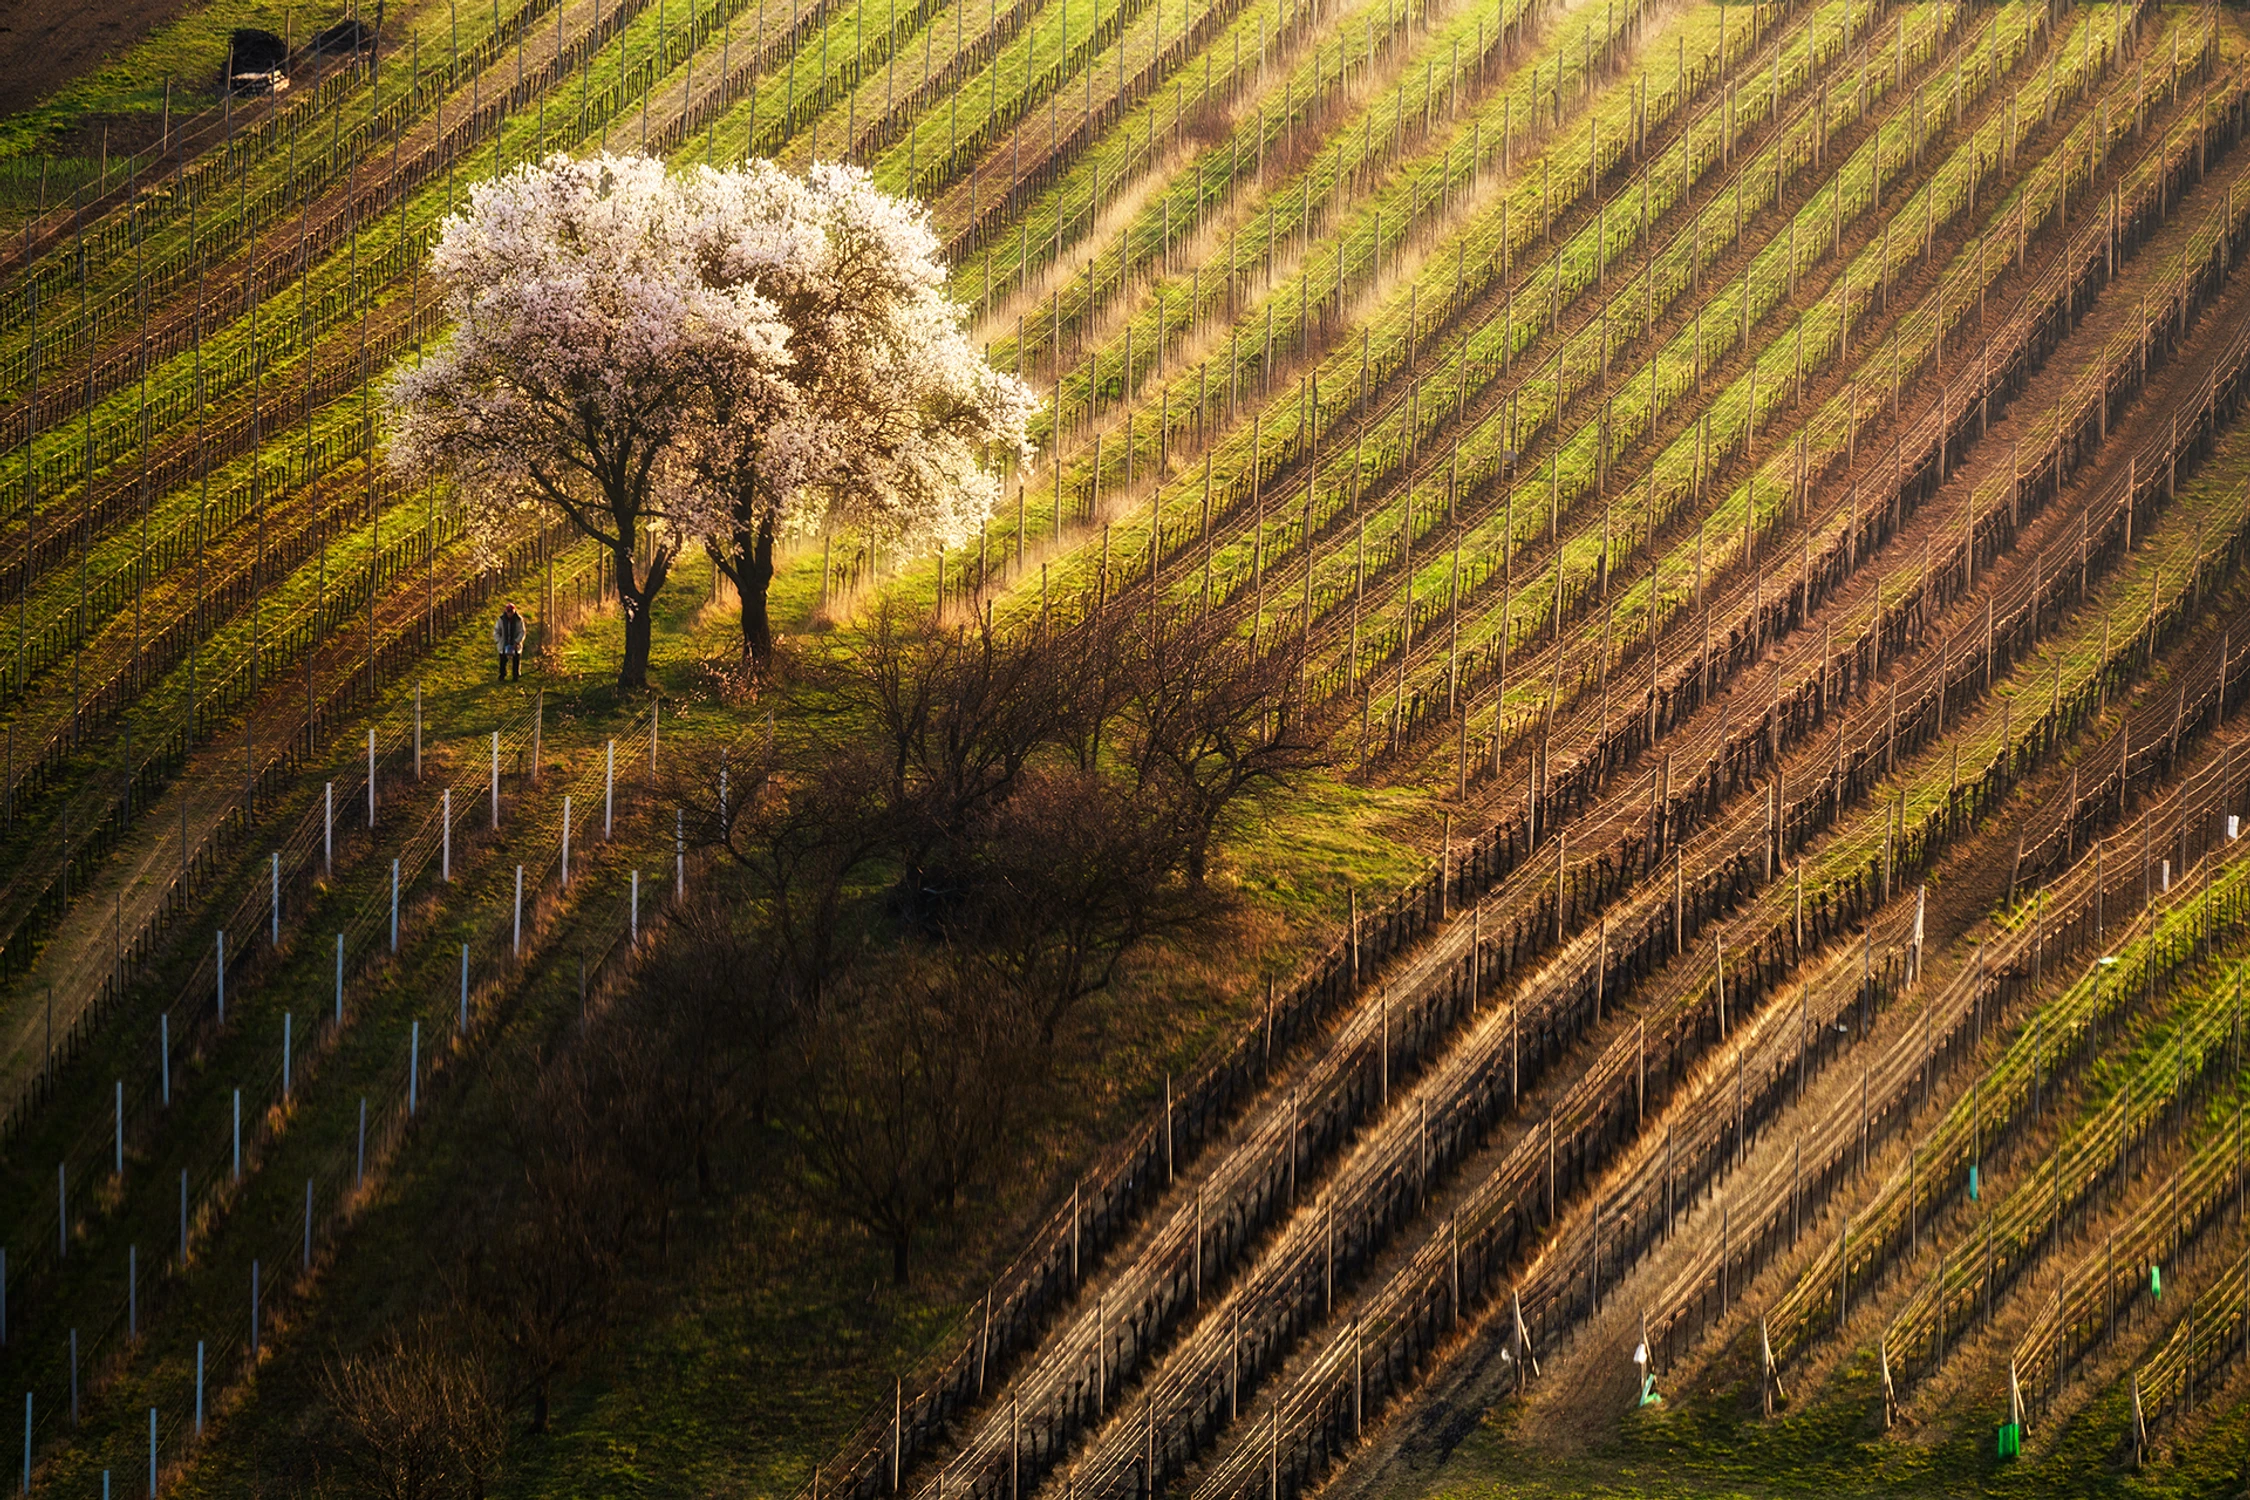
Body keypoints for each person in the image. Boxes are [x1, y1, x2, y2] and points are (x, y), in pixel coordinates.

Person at [495, 603, 525, 681]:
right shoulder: (501, 620)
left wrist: (517, 641)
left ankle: (515, 675)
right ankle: (502, 674)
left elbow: (522, 632)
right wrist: (498, 641)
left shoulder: (519, 620)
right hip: (503, 643)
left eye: (511, 611)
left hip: (515, 643)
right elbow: (496, 631)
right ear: (506, 611)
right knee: (503, 660)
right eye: (508, 611)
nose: (510, 613)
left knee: (516, 660)